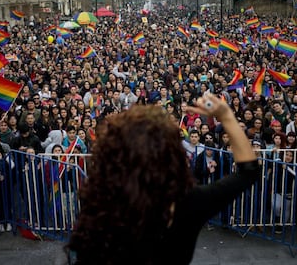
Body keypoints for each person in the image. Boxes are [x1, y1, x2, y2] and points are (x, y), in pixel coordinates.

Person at [68, 93, 258, 264]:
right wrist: (226, 116)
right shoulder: (188, 203)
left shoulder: (101, 200)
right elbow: (247, 172)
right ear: (172, 154)